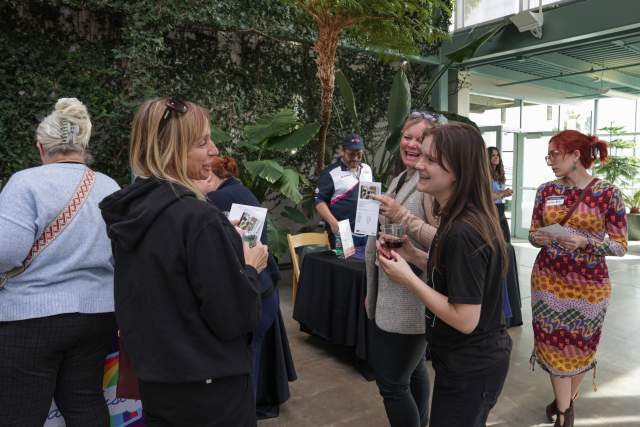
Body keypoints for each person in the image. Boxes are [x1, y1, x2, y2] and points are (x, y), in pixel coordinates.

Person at [99, 97, 268, 427]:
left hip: (157, 383)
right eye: (203, 142)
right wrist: (250, 267)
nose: (214, 150)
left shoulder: (132, 213)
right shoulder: (198, 219)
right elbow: (234, 317)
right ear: (173, 149)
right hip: (209, 391)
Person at [378, 122, 512, 427]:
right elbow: (458, 279)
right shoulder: (459, 219)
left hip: (472, 366)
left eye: (431, 160)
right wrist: (412, 255)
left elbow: (465, 318)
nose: (419, 165)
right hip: (466, 361)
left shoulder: (463, 231)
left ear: (459, 168)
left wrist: (408, 278)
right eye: (420, 155)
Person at [0, 98, 119, 426]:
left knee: (19, 411)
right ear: (83, 146)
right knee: (85, 401)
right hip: (97, 314)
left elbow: (5, 251)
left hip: (30, 315)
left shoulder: (25, 183)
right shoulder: (109, 187)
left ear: (41, 148)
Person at [528, 130, 627, 427]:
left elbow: (620, 246)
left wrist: (587, 243)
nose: (550, 162)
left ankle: (563, 405)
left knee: (581, 347)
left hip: (589, 287)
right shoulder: (546, 191)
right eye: (548, 155)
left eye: (554, 154)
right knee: (554, 344)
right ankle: (564, 414)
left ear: (575, 155)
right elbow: (533, 232)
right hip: (548, 282)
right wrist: (539, 239)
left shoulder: (608, 193)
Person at [198, 156, 296, 419]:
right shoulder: (240, 190)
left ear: (210, 176)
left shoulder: (217, 200)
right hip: (266, 293)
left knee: (245, 372)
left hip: (255, 291)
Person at [364, 111, 440, 427]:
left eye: (420, 139)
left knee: (392, 384)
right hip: (389, 295)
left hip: (411, 302)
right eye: (407, 136)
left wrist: (401, 217)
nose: (410, 144)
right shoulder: (402, 178)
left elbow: (446, 244)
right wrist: (372, 292)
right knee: (413, 371)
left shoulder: (431, 186)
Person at [315, 133, 373, 247]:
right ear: (342, 151)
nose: (355, 158)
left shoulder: (367, 169)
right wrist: (333, 223)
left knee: (365, 263)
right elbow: (319, 201)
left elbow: (371, 195)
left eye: (359, 155)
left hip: (366, 228)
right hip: (342, 230)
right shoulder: (331, 173)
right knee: (343, 263)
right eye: (351, 154)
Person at [488, 146, 523, 327]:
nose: (496, 158)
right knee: (499, 249)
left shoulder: (499, 174)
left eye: (498, 155)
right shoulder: (484, 175)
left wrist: (502, 194)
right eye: (493, 155)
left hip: (501, 212)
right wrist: (502, 193)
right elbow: (486, 196)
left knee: (507, 247)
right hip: (492, 212)